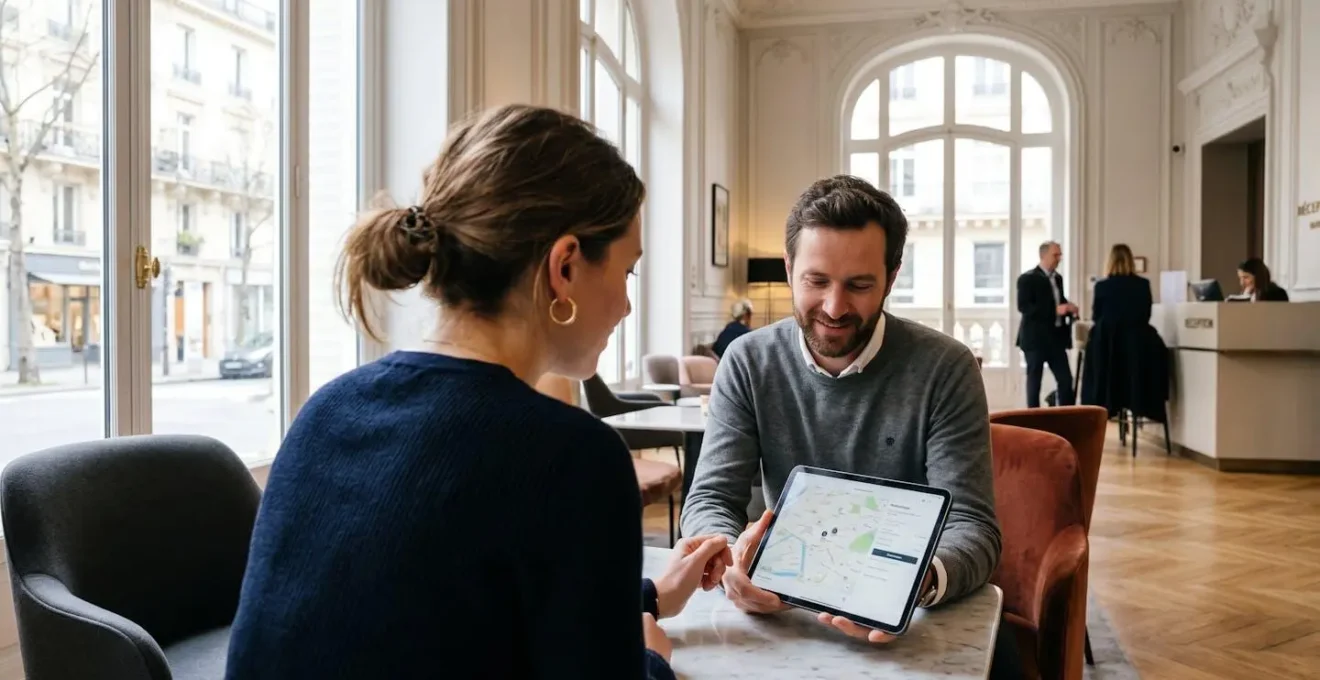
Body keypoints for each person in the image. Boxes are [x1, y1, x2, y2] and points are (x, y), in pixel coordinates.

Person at [225, 104, 732, 680]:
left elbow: (420, 612)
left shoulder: (327, 409)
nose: (626, 305)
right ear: (565, 266)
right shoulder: (573, 457)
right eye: (627, 271)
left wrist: (645, 596)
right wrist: (651, 659)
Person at [680, 175, 1012, 671]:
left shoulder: (946, 367)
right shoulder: (747, 361)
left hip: (909, 630)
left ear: (891, 279)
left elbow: (972, 525)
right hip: (779, 623)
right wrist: (729, 560)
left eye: (859, 285)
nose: (834, 308)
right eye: (816, 281)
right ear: (789, 269)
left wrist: (909, 586)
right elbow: (709, 498)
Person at [1017, 241, 1077, 408]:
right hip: (1035, 339)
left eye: (1060, 255)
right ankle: (1033, 418)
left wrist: (1069, 307)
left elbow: (1057, 300)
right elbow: (1024, 307)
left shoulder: (1058, 278)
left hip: (1055, 339)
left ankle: (1067, 417)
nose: (1059, 258)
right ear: (1043, 256)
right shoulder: (1027, 279)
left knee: (1066, 380)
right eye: (1055, 255)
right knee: (1034, 381)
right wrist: (1055, 310)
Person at [1092, 243, 1152, 325]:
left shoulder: (1101, 286)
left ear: (1110, 262)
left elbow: (1096, 317)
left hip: (1109, 332)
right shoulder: (1143, 284)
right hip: (1137, 332)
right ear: (1130, 261)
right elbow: (1146, 315)